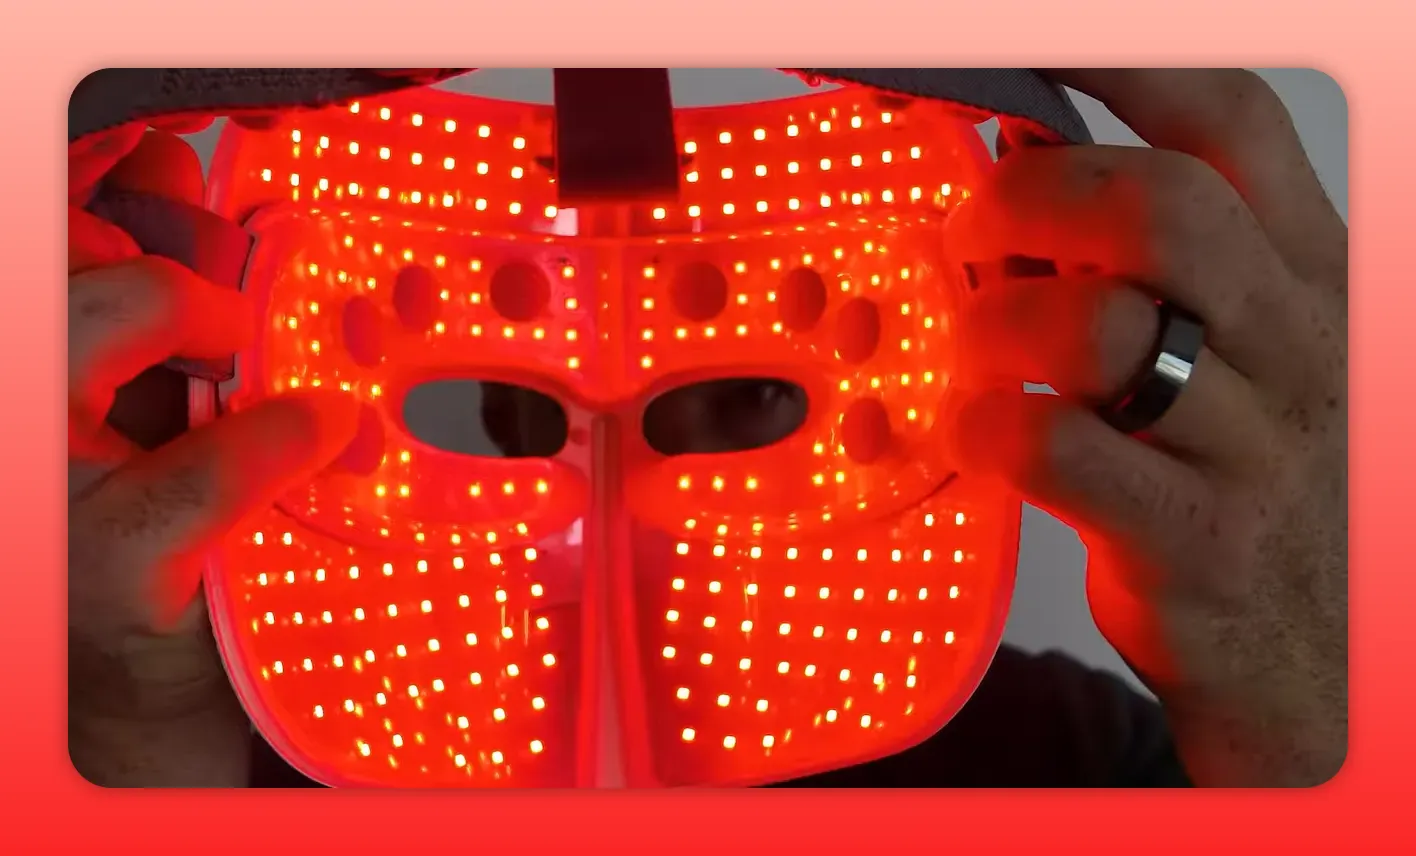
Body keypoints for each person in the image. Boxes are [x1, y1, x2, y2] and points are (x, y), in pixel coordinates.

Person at [67, 68, 1347, 788]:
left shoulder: (1086, 767)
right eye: (500, 404)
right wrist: (126, 740)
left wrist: (1314, 701)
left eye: (753, 403)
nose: (627, 496)